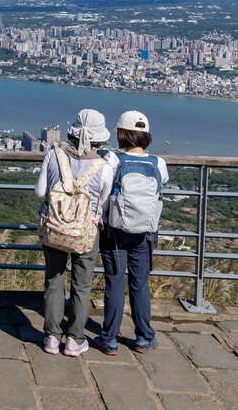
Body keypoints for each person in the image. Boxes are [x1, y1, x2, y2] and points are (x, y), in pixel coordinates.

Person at [35, 108, 115, 357]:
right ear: (99, 137)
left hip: (55, 227)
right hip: (86, 232)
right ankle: (75, 339)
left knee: (54, 279)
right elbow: (103, 203)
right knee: (82, 285)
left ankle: (51, 337)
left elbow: (40, 192)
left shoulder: (54, 155)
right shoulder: (105, 166)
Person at [97, 110, 169, 356]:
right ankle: (144, 337)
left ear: (121, 133)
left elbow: (104, 194)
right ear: (146, 136)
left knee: (115, 283)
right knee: (140, 284)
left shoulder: (112, 160)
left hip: (115, 231)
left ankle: (110, 339)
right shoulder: (158, 163)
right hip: (145, 232)